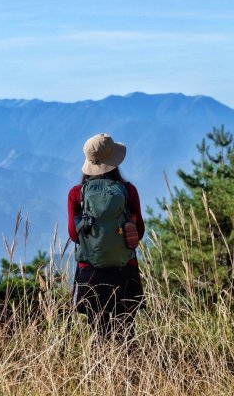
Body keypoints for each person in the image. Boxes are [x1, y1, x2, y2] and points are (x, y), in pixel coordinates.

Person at [67, 133, 145, 341]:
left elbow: (74, 235)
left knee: (98, 336)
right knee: (126, 334)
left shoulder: (76, 193)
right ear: (115, 162)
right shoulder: (128, 191)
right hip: (125, 269)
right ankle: (129, 372)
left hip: (90, 272)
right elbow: (139, 232)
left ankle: (99, 373)